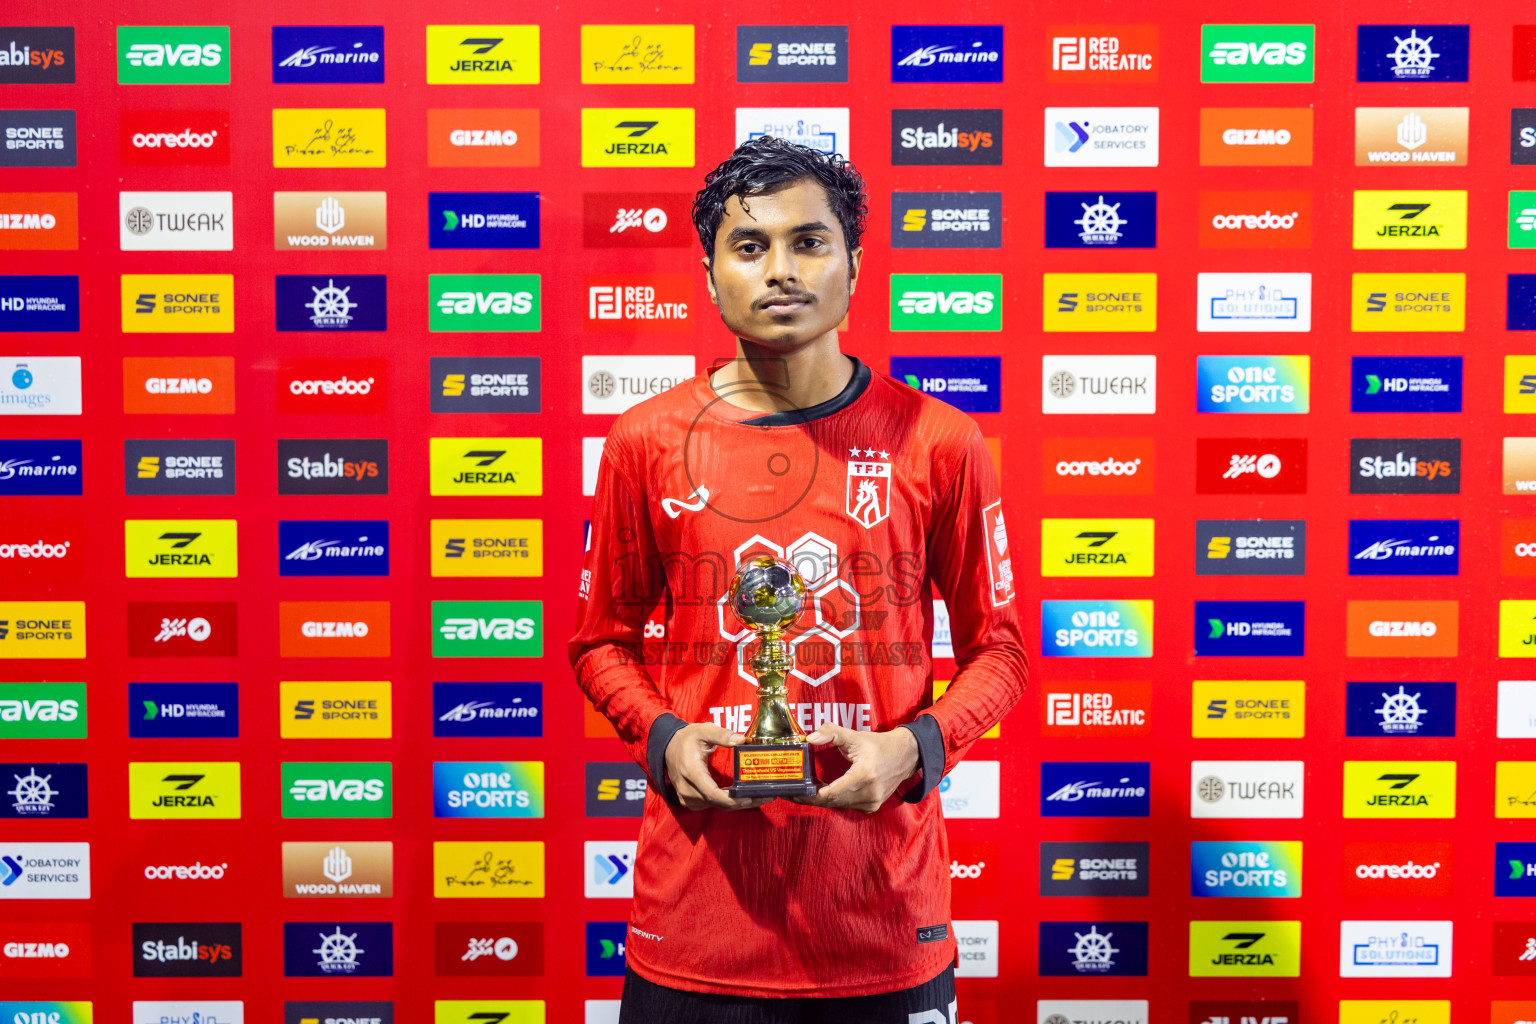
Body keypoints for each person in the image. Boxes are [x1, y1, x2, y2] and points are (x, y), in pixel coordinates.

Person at [568, 135, 1028, 1022]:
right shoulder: (646, 442)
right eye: (750, 246)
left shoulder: (938, 441)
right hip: (696, 929)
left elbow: (999, 650)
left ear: (855, 263)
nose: (780, 269)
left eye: (809, 242)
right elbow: (601, 642)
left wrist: (915, 750)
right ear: (709, 275)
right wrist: (662, 738)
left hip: (883, 926)